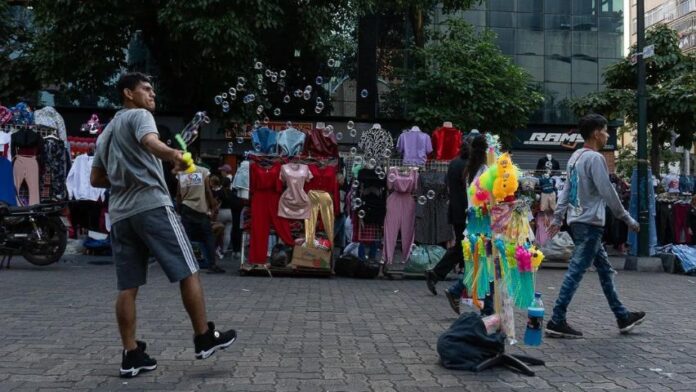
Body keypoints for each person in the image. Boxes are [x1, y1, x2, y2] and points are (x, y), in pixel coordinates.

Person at [90, 72, 236, 379]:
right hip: (152, 207)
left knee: (128, 286)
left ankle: (131, 354)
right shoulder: (139, 115)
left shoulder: (105, 133)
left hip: (120, 216)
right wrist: (175, 155)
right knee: (188, 269)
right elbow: (150, 141)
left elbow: (96, 179)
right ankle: (203, 337)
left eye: (153, 89)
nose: (152, 94)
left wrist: (131, 173)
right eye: (145, 89)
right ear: (128, 93)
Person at [546, 113, 645, 338]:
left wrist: (558, 217)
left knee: (604, 270)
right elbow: (608, 193)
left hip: (579, 222)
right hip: (590, 224)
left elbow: (566, 192)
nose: (607, 134)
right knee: (576, 271)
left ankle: (622, 316)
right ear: (595, 133)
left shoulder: (575, 158)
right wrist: (627, 219)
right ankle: (556, 319)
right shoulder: (595, 159)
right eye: (605, 130)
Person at [442, 134, 494, 316]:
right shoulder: (484, 171)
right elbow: (487, 199)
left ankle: (459, 292)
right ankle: (487, 308)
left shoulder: (469, 171)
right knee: (487, 265)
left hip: (472, 222)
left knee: (481, 265)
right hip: (483, 222)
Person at [424, 138, 470, 295]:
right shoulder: (467, 165)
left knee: (463, 246)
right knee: (464, 247)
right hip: (466, 211)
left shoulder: (453, 163)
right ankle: (438, 274)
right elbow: (468, 191)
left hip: (455, 210)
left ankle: (439, 274)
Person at [177, 157, 225, 273]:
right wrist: (213, 205)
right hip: (200, 210)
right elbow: (208, 191)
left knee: (185, 238)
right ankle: (212, 265)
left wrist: (179, 209)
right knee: (208, 237)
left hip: (186, 208)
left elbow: (178, 193)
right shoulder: (203, 171)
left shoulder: (181, 173)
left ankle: (185, 265)